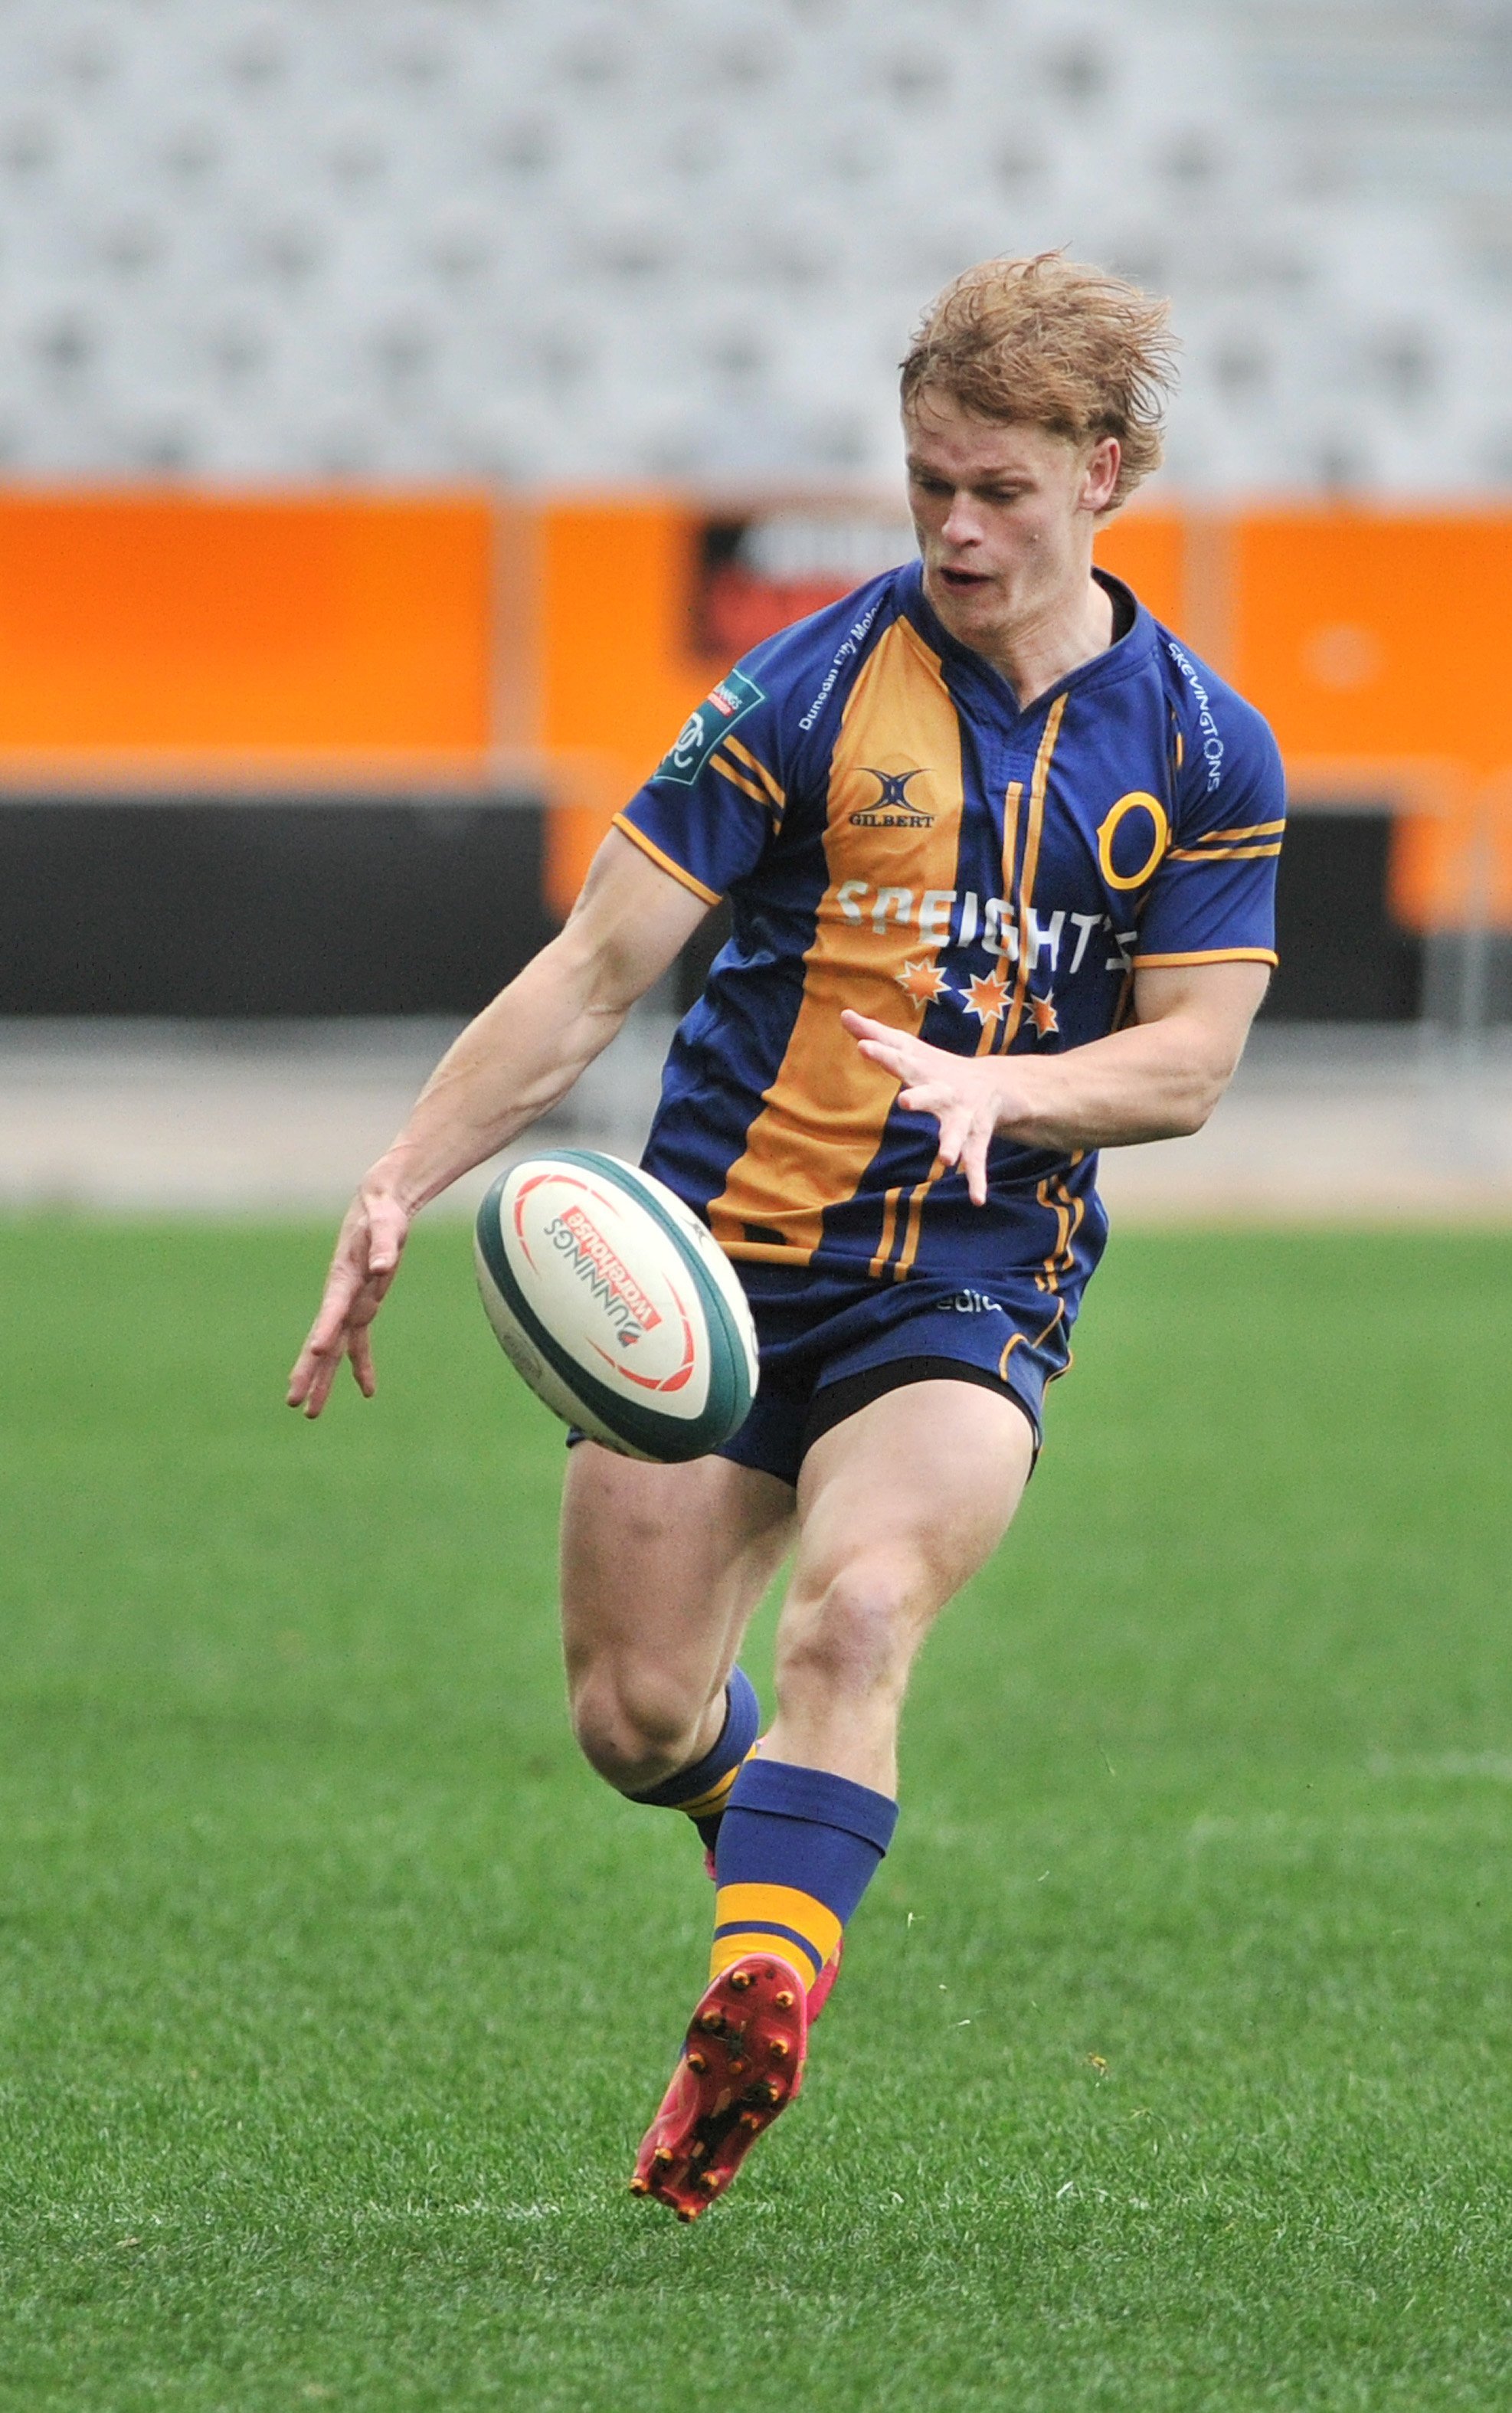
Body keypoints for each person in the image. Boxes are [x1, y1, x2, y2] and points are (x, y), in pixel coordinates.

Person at [288, 254, 1285, 2221]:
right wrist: (400, 1179)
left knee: (859, 1612)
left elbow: (1188, 1064)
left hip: (971, 1275)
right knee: (632, 1714)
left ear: (1107, 472)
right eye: (929, 483)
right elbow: (594, 972)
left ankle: (757, 1994)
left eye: (999, 488)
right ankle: (778, 1839)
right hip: (718, 1265)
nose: (958, 527)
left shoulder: (1201, 747)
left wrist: (1021, 1097)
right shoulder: (808, 688)